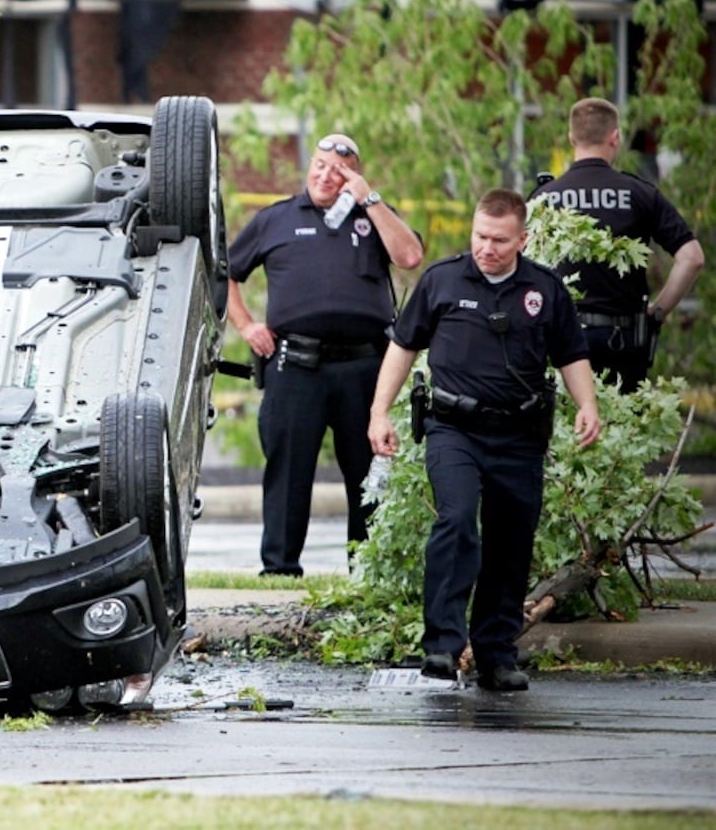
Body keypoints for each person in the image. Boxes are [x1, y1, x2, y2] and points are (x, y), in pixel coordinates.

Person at [367, 189, 601, 692]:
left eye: (498, 240)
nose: (486, 248)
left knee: (511, 541)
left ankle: (496, 654)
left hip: (519, 435)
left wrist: (588, 405)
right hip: (454, 429)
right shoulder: (442, 280)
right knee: (456, 520)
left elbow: (570, 354)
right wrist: (379, 411)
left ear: (523, 239)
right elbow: (402, 346)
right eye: (479, 236)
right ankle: (441, 648)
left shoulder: (544, 288)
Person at [226, 132, 424, 576]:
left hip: (364, 366)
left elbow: (410, 256)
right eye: (318, 165)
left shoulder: (374, 216)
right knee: (289, 471)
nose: (325, 175)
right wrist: (246, 325)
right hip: (295, 365)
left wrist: (368, 198)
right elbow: (225, 274)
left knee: (368, 473)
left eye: (338, 170)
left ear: (353, 174)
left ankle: (369, 570)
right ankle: (279, 570)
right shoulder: (275, 218)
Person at [533, 97, 704, 392]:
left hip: (563, 340)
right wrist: (657, 312)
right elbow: (692, 258)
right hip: (623, 342)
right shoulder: (640, 193)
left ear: (571, 138)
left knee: (566, 431)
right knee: (623, 430)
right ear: (615, 137)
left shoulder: (544, 197)